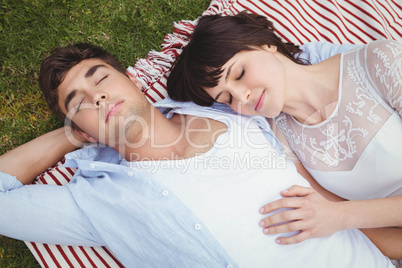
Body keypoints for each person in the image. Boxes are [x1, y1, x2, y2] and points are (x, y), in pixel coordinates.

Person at [0, 43, 395, 267]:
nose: (97, 95)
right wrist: (69, 137)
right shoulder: (96, 200)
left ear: (133, 81)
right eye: (79, 102)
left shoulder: (230, 109)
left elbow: (297, 70)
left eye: (100, 78)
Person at [166, 11, 402, 256]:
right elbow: (358, 230)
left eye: (239, 74)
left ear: (266, 44)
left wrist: (342, 215)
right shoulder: (280, 140)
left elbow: (337, 217)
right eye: (225, 98)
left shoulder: (380, 62)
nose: (241, 97)